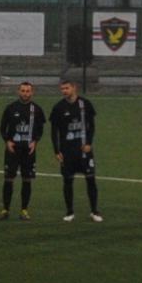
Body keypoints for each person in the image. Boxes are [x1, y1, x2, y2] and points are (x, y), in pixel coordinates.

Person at [50, 79, 100, 222]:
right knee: (67, 181)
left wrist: (89, 143)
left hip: (84, 150)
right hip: (67, 151)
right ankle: (69, 212)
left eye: (66, 88)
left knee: (91, 180)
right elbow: (54, 131)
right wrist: (56, 150)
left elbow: (92, 126)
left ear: (74, 88)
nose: (64, 91)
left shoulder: (85, 104)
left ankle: (94, 211)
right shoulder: (58, 107)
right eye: (62, 89)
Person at [0, 80, 44, 220]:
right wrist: (7, 141)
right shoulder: (11, 108)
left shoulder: (36, 109)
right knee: (9, 179)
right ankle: (5, 209)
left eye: (28, 91)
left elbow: (40, 129)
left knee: (27, 179)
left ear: (32, 92)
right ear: (18, 91)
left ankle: (24, 210)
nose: (25, 93)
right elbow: (2, 127)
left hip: (28, 151)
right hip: (13, 150)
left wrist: (35, 141)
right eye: (23, 91)